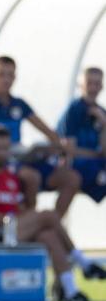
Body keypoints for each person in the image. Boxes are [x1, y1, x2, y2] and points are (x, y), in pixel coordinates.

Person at [0, 125, 105, 301]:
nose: (1, 153)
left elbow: (24, 208)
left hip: (17, 231)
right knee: (49, 215)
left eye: (5, 148)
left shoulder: (13, 176)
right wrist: (15, 219)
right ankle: (82, 261)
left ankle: (71, 292)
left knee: (49, 235)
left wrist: (25, 212)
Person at [0, 56, 81, 219]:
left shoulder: (19, 104)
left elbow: (47, 131)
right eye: (1, 74)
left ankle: (51, 225)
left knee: (71, 178)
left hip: (20, 160)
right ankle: (30, 223)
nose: (6, 79)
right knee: (31, 177)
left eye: (10, 75)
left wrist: (61, 149)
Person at [57, 67, 106, 208]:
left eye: (97, 84)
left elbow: (104, 151)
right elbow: (69, 150)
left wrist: (104, 126)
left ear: (102, 86)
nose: (93, 88)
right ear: (81, 85)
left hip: (95, 164)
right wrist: (95, 154)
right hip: (75, 165)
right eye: (89, 83)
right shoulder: (74, 109)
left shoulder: (101, 112)